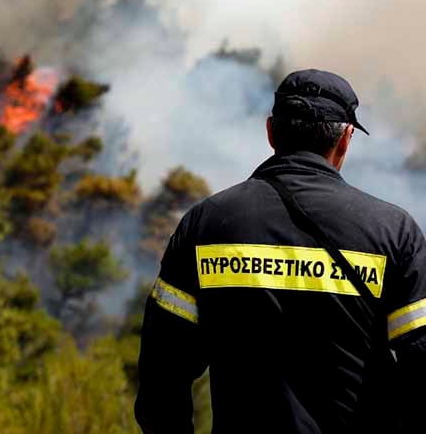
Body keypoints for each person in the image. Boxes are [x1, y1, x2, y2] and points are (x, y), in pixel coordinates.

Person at [134, 69, 426, 434]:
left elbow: (161, 379)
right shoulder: (394, 232)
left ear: (271, 131)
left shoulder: (205, 224)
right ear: (346, 139)